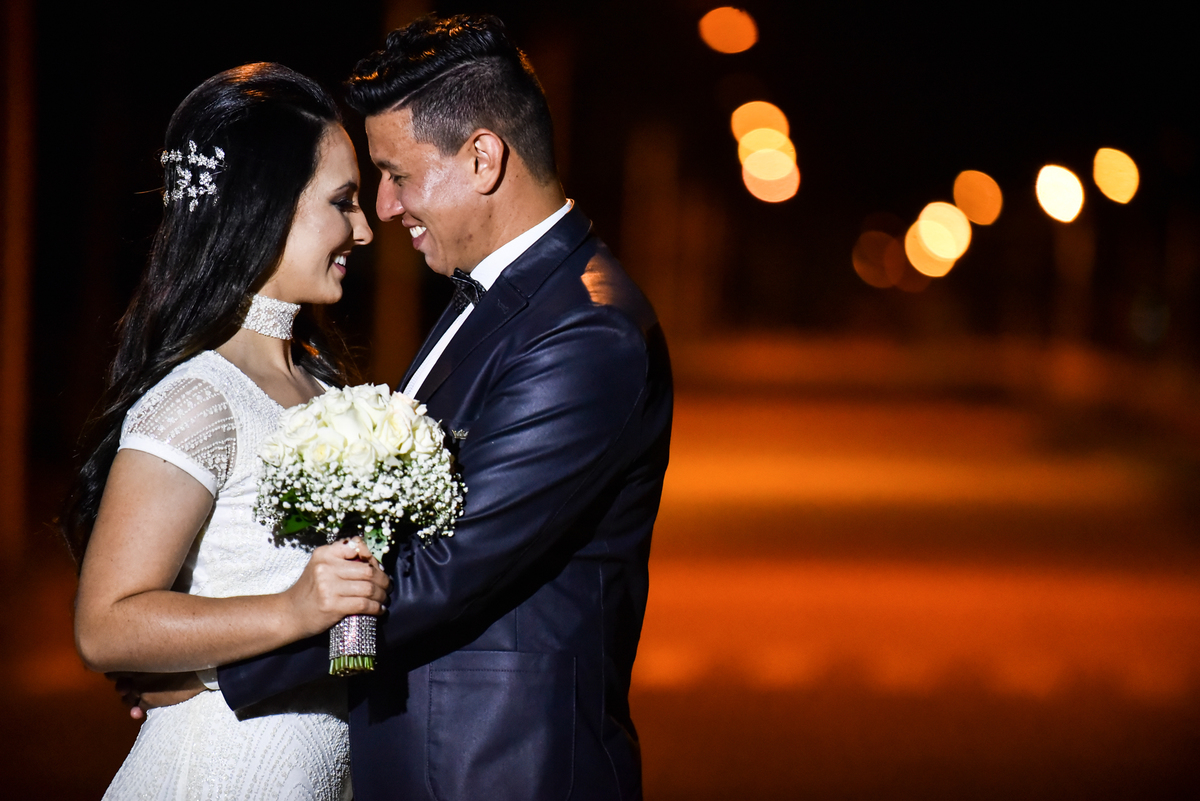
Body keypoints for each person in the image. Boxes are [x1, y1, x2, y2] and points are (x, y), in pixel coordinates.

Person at [210, 15, 673, 800]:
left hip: (500, 769)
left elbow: (440, 573)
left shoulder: (587, 333)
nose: (385, 206)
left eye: (397, 173)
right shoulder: (501, 298)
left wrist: (219, 670)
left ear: (483, 158)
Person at [64, 63, 389, 800]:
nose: (365, 230)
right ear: (265, 205)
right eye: (343, 202)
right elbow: (105, 624)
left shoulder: (325, 388)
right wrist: (291, 609)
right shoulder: (200, 398)